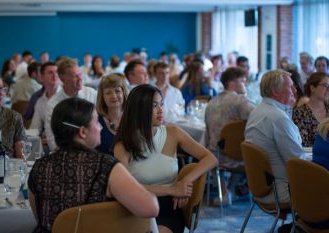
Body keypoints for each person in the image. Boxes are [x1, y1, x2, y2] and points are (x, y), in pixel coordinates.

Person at [28, 97, 159, 233]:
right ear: (83, 132)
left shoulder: (39, 167)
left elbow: (40, 217)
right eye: (96, 122)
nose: (101, 127)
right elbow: (151, 208)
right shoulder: (105, 166)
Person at [114, 84, 217, 233]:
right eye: (154, 106)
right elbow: (124, 189)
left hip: (168, 208)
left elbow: (210, 158)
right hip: (136, 208)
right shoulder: (123, 145)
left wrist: (185, 181)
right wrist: (172, 189)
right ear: (139, 109)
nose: (161, 110)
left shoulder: (173, 132)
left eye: (161, 104)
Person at [245, 69, 306, 205]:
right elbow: (297, 162)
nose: (295, 90)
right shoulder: (278, 118)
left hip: (263, 186)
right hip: (283, 189)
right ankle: (307, 225)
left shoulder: (259, 110)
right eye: (290, 86)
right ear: (276, 91)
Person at [205, 67, 255, 205]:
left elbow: (207, 135)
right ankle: (237, 190)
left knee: (231, 146)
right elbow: (258, 118)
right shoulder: (240, 101)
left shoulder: (211, 102)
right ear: (232, 83)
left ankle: (227, 191)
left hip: (213, 155)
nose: (245, 84)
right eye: (243, 81)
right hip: (235, 157)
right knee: (250, 148)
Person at [44, 57, 97, 151]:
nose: (80, 78)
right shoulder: (53, 104)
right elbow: (52, 141)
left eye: (80, 74)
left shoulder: (92, 94)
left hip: (94, 150)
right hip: (65, 154)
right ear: (62, 79)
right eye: (75, 76)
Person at [293, 72, 329, 147]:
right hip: (313, 156)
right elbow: (303, 144)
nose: (328, 89)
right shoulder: (300, 112)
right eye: (325, 85)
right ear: (312, 88)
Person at [95, 73, 128, 155]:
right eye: (108, 93)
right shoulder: (95, 121)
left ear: (124, 93)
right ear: (102, 97)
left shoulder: (134, 118)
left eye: (117, 91)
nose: (113, 96)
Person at [30, 62, 60, 137]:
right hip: (46, 142)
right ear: (42, 77)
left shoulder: (66, 97)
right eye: (50, 72)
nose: (55, 75)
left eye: (57, 72)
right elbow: (35, 128)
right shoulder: (40, 102)